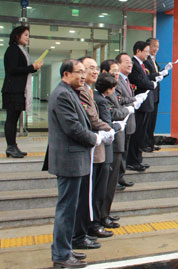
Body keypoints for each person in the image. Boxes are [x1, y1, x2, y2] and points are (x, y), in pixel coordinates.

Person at [49, 59, 99, 268]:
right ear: (66, 74)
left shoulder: (69, 92)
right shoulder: (62, 95)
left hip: (74, 158)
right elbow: (73, 128)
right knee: (66, 209)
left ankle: (66, 249)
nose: (82, 75)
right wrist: (95, 138)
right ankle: (61, 255)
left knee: (70, 208)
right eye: (79, 72)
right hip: (69, 159)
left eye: (83, 72)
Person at [75, 57, 114, 244]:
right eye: (89, 68)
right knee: (89, 193)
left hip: (96, 147)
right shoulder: (80, 92)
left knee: (96, 190)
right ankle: (85, 230)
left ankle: (88, 228)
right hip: (89, 148)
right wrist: (109, 129)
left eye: (95, 68)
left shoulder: (88, 91)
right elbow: (92, 118)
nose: (94, 72)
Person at [2, 26, 43, 158]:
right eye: (25, 35)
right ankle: (10, 147)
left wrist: (33, 68)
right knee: (11, 119)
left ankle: (13, 146)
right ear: (17, 36)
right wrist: (32, 67)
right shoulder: (13, 50)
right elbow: (12, 70)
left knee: (14, 119)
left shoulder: (20, 50)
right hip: (13, 91)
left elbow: (21, 70)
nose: (28, 38)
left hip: (17, 90)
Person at [100, 59, 133, 223]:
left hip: (118, 140)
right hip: (111, 142)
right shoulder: (102, 92)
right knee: (107, 183)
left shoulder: (113, 89)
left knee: (111, 184)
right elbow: (112, 112)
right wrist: (126, 110)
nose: (116, 74)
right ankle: (102, 215)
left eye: (117, 71)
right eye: (113, 71)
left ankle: (106, 213)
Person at [93, 72, 125, 229]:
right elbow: (106, 122)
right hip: (104, 147)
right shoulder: (101, 100)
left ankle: (102, 215)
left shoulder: (97, 97)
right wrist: (118, 125)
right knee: (102, 186)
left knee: (105, 185)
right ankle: (99, 218)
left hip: (106, 146)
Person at [127, 41, 157, 171]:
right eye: (145, 51)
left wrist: (158, 76)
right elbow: (141, 81)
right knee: (136, 134)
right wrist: (151, 84)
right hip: (140, 104)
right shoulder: (134, 64)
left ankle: (138, 159)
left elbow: (147, 77)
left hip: (146, 104)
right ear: (138, 51)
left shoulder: (142, 64)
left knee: (141, 134)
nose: (147, 53)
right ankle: (132, 161)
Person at [115, 53, 142, 183]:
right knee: (119, 153)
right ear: (118, 64)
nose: (130, 64)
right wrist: (134, 99)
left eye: (131, 62)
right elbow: (118, 99)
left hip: (129, 123)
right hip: (120, 122)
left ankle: (121, 176)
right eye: (126, 61)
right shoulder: (116, 80)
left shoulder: (126, 79)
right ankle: (117, 177)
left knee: (124, 151)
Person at [143, 38, 172, 152]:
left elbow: (158, 76)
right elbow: (149, 76)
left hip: (155, 95)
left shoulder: (154, 60)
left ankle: (150, 143)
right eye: (154, 46)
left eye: (158, 47)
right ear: (148, 46)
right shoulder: (145, 60)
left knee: (152, 121)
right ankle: (144, 144)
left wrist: (166, 70)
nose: (156, 49)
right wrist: (161, 73)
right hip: (148, 95)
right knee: (146, 121)